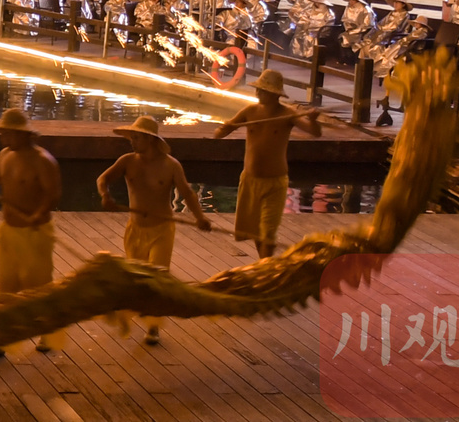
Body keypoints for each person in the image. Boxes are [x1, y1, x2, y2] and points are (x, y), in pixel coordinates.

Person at [97, 115, 211, 345]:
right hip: (136, 228)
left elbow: (187, 193)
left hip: (161, 229)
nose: (132, 142)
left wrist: (200, 217)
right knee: (138, 278)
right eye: (131, 138)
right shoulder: (127, 161)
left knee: (157, 278)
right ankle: (135, 311)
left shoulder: (171, 165)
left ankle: (153, 326)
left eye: (136, 138)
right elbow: (103, 179)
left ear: (150, 139)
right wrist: (105, 195)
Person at [0, 109, 66, 354]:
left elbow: (53, 193)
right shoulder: (5, 154)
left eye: (7, 134)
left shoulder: (43, 160)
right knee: (6, 287)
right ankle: (1, 338)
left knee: (38, 288)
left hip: (35, 233)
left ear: (23, 134)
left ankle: (48, 332)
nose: (3, 138)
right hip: (9, 230)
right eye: (3, 134)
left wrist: (40, 212)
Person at [211, 69, 320, 258]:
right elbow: (220, 133)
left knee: (268, 231)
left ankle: (266, 265)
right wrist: (223, 128)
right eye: (258, 89)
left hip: (275, 182)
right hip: (250, 180)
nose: (258, 93)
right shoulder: (250, 111)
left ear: (274, 94)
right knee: (255, 231)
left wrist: (313, 120)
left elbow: (315, 132)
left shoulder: (288, 114)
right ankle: (264, 263)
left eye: (262, 90)